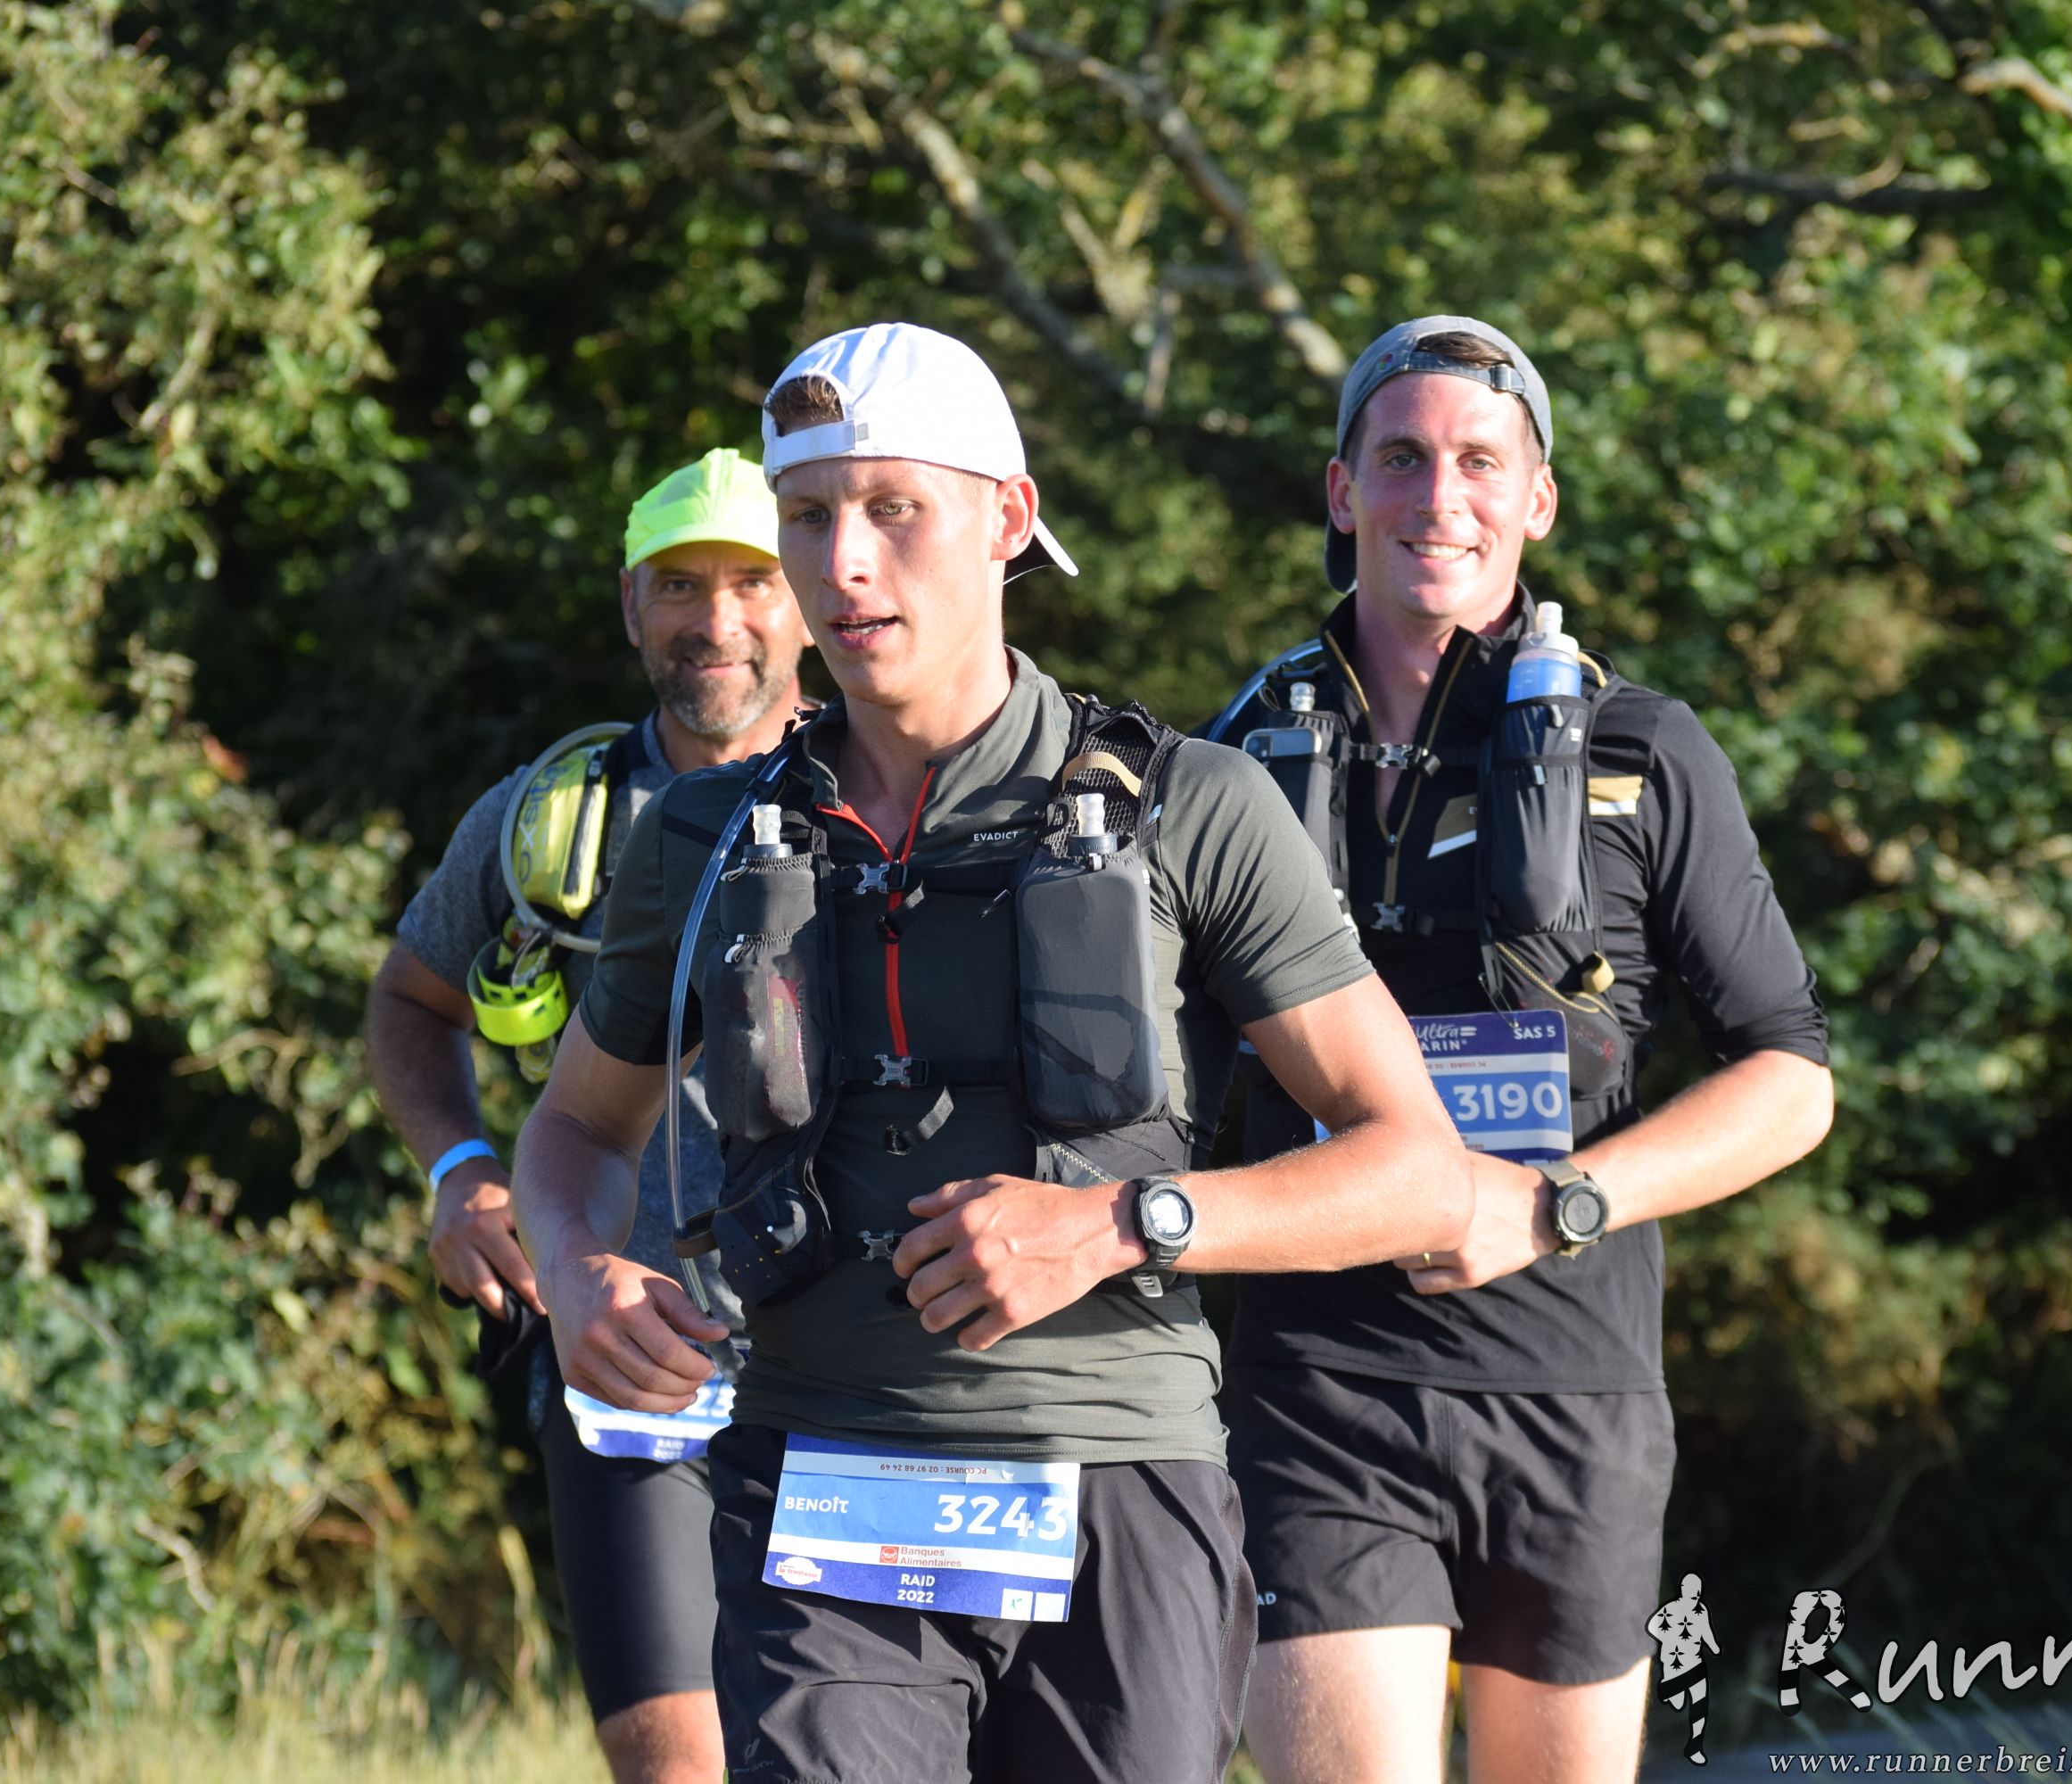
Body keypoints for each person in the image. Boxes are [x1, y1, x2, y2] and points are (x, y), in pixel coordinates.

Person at [507, 320, 1520, 1784]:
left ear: (1008, 519)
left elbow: (1420, 1172)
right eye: (809, 516)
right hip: (821, 1487)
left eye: (894, 509)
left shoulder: (1195, 807)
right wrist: (572, 1267)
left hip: (1120, 1484)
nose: (845, 563)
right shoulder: (705, 836)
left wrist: (1119, 1224)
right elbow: (575, 1130)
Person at [1206, 316, 1837, 1784]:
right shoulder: (1228, 763)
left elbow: (1791, 1077)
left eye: (1481, 462)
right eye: (1402, 459)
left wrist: (1560, 1204)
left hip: (1575, 1390)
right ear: (1342, 490)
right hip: (1321, 1391)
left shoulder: (1647, 749)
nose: (1442, 497)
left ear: (1538, 498)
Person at [364, 448, 810, 1784]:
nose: (716, 620)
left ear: (810, 598)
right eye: (679, 586)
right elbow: (411, 1000)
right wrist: (462, 1170)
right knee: (675, 1767)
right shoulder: (551, 819)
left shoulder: (892, 794)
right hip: (626, 1358)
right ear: (631, 605)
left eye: (753, 583)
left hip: (853, 1361)